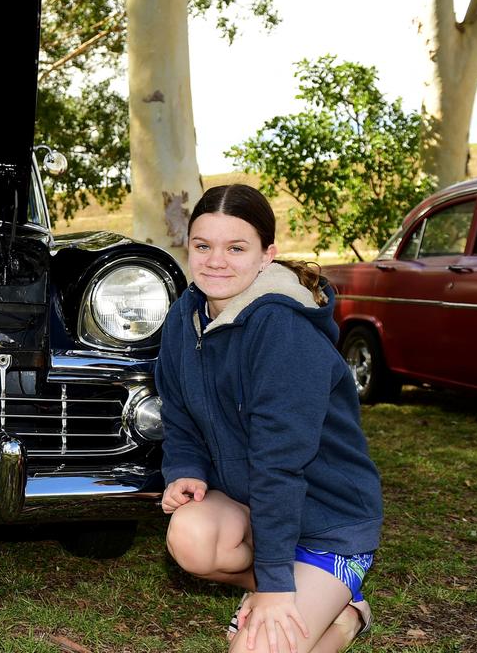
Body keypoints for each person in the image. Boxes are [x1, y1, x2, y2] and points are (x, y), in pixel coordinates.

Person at [157, 184, 383, 653]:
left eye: (236, 247)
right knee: (191, 535)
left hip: (327, 524)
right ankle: (306, 594)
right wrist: (186, 471)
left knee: (258, 650)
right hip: (254, 512)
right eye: (203, 246)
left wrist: (275, 589)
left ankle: (345, 616)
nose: (216, 261)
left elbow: (279, 464)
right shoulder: (184, 317)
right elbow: (177, 412)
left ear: (267, 255)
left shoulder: (282, 329)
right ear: (188, 248)